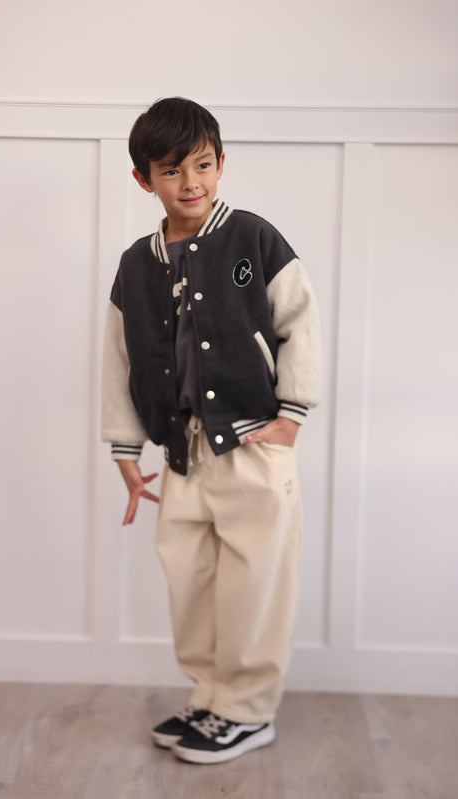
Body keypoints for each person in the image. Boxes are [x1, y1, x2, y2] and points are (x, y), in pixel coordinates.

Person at [101, 97, 322, 764]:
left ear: (221, 163)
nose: (189, 182)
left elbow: (299, 323)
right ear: (143, 179)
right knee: (190, 581)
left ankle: (247, 711)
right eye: (171, 170)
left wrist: (291, 414)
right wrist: (126, 446)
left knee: (255, 584)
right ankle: (211, 695)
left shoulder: (253, 238)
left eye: (201, 165)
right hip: (182, 451)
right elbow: (119, 358)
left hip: (253, 444)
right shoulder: (135, 264)